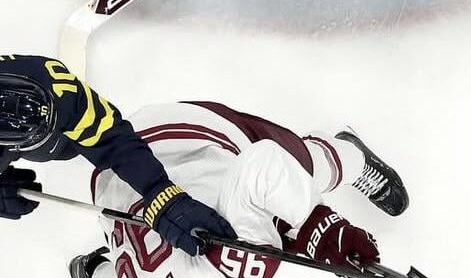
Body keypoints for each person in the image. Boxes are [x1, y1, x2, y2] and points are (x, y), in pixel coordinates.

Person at [69, 100, 407, 278]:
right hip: (110, 170)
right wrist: (88, 267)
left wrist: (320, 226)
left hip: (188, 134)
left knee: (305, 169)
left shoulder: (224, 269)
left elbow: (263, 165)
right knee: (273, 218)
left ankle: (351, 157)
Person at [0, 54, 235, 257]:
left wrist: (161, 192)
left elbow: (113, 140)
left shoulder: (59, 90)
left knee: (76, 135)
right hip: (33, 141)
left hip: (62, 128)